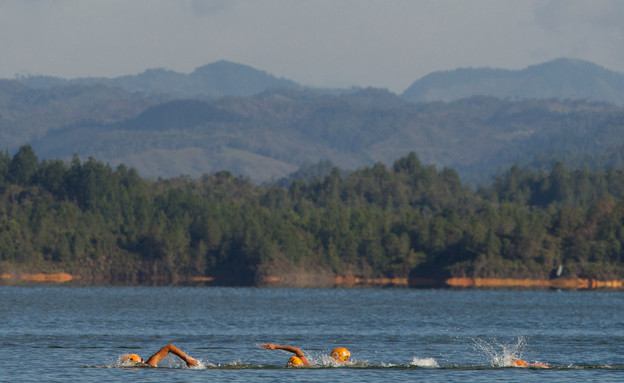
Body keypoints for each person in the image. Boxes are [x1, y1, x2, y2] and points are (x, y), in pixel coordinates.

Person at [261, 343, 351, 367]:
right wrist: (276, 346)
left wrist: (276, 347)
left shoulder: (306, 364)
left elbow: (297, 350)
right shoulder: (307, 364)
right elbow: (297, 350)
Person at [120, 344, 199, 368]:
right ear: (140, 360)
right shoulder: (150, 363)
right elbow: (169, 347)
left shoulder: (149, 364)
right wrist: (186, 358)